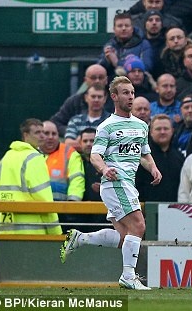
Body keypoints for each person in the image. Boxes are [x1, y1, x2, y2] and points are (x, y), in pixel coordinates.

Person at [60, 76, 162, 290]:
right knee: (139, 225)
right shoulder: (106, 126)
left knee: (125, 237)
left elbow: (143, 154)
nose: (130, 97)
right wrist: (105, 169)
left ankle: (80, 238)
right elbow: (95, 155)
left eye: (132, 92)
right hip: (116, 182)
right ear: (114, 97)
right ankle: (128, 276)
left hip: (127, 184)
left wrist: (152, 167)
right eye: (125, 93)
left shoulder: (141, 125)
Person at [0, 118, 62, 235]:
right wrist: (55, 232)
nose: (43, 136)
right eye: (37, 132)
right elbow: (44, 199)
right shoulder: (34, 158)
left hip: (6, 229)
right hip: (32, 230)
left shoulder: (7, 156)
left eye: (43, 132)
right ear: (25, 135)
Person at [50, 64, 111, 136]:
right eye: (93, 78)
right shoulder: (74, 101)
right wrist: (73, 132)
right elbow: (55, 122)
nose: (97, 81)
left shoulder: (116, 101)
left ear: (106, 80)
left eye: (101, 77)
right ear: (85, 80)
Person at [136, 114, 184, 202]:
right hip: (146, 208)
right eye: (158, 129)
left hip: (174, 208)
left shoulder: (179, 158)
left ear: (172, 131)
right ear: (151, 132)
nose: (162, 132)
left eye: (166, 129)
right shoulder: (141, 156)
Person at [41, 120, 85, 202]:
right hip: (35, 205)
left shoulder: (69, 153)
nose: (50, 137)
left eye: (54, 134)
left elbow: (77, 179)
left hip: (62, 206)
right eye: (46, 133)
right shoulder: (32, 153)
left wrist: (73, 200)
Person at [63, 83, 112, 151]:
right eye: (93, 96)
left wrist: (82, 142)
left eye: (99, 97)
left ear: (105, 99)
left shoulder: (111, 121)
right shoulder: (75, 121)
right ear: (86, 98)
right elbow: (68, 144)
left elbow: (114, 145)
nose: (96, 100)